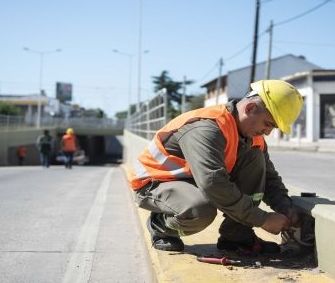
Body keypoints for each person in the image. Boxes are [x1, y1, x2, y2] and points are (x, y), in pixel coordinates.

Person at [128, 80, 304, 254]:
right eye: (268, 124)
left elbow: (269, 178)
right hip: (156, 181)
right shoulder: (207, 127)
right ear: (250, 109)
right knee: (200, 211)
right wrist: (262, 219)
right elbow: (213, 184)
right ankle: (160, 226)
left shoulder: (252, 137)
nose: (268, 132)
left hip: (195, 180)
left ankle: (236, 236)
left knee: (255, 159)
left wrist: (285, 207)